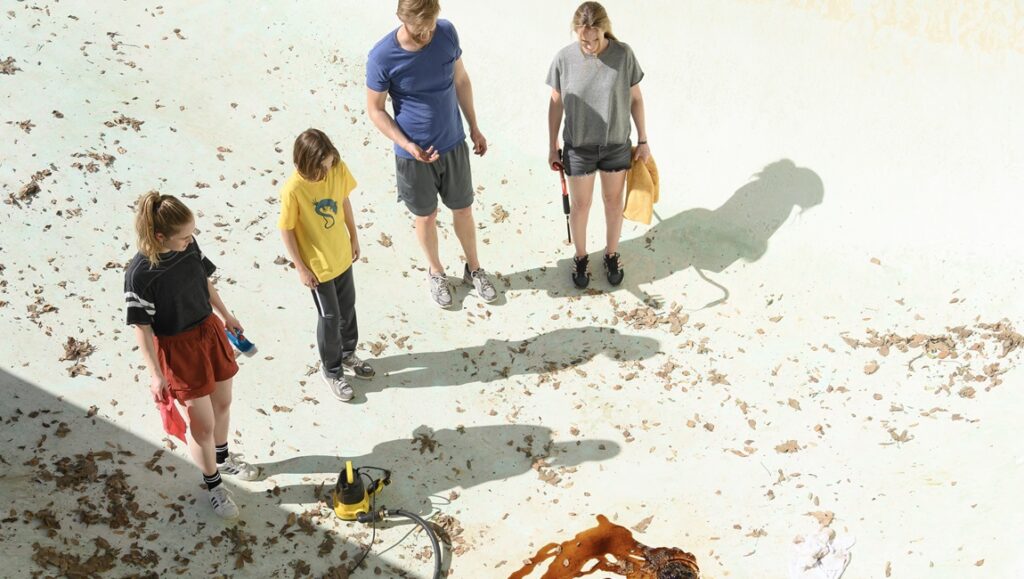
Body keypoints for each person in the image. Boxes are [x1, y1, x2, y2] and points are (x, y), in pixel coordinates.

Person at [125, 192, 259, 520]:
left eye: (192, 234)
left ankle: (223, 458)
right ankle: (214, 486)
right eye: (184, 237)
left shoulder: (189, 247)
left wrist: (226, 315)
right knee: (202, 427)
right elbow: (142, 328)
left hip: (209, 333)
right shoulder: (139, 274)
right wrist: (156, 375)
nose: (191, 241)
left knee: (223, 404)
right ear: (160, 237)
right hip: (178, 349)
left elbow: (204, 282)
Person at [366, 0, 497, 308]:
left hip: (453, 143)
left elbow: (461, 80)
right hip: (413, 156)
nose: (426, 34)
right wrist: (407, 144)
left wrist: (474, 127)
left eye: (431, 26)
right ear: (402, 17)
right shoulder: (382, 56)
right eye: (419, 28)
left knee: (463, 210)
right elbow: (375, 110)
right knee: (426, 216)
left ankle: (474, 269)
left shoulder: (447, 33)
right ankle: (436, 272)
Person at [547, 1, 650, 289]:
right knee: (581, 205)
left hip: (615, 144)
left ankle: (611, 254)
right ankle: (581, 257)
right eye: (584, 40)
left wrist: (643, 139)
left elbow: (636, 99)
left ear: (605, 30)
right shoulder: (564, 59)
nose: (590, 45)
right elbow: (556, 103)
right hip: (578, 148)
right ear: (576, 33)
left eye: (595, 39)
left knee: (613, 202)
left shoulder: (623, 55)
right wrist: (552, 145)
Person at [278, 128, 375, 403]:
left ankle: (347, 353)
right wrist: (300, 267)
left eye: (329, 165)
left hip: (341, 255)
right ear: (306, 163)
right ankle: (331, 371)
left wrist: (354, 237)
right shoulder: (293, 189)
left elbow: (343, 201)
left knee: (348, 307)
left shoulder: (337, 169)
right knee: (330, 317)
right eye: (321, 168)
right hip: (317, 266)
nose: (326, 172)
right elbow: (286, 229)